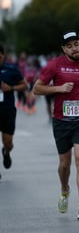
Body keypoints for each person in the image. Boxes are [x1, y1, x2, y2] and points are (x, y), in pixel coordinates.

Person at [33, 31, 79, 220]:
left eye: (76, 44)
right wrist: (58, 88)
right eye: (69, 46)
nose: (74, 48)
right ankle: (64, 189)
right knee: (65, 164)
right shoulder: (54, 65)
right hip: (61, 121)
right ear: (64, 49)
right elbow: (36, 88)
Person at [0, 43, 28, 180]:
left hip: (7, 111)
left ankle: (6, 152)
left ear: (3, 55)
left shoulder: (11, 69)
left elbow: (25, 85)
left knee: (8, 143)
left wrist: (10, 88)